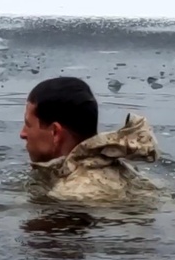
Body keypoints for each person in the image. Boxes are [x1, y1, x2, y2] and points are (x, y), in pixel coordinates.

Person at [20, 76, 160, 203]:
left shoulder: (72, 194)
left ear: (55, 132)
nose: (22, 134)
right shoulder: (127, 172)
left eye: (28, 124)